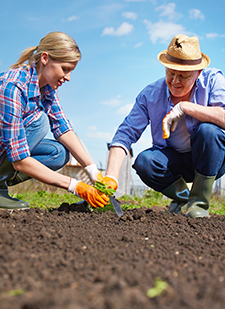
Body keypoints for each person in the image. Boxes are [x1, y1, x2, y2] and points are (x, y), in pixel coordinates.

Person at [102, 34, 225, 218]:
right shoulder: (150, 95)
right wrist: (110, 177)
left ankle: (199, 204)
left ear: (198, 73)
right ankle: (184, 199)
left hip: (210, 159)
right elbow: (125, 134)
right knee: (145, 162)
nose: (175, 81)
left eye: (183, 76)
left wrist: (186, 107)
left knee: (208, 131)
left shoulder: (213, 81)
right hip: (174, 162)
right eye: (170, 72)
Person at [0, 31, 109, 210]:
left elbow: (62, 127)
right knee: (39, 122)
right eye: (65, 69)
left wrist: (93, 171)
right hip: (9, 151)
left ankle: (1, 184)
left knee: (58, 153)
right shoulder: (13, 87)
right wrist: (75, 186)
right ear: (45, 58)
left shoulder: (47, 89)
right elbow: (19, 159)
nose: (68, 77)